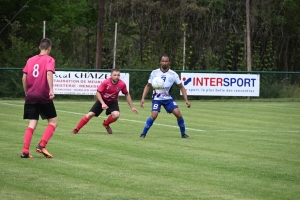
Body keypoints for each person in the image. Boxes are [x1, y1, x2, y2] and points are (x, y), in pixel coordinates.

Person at [21, 38, 58, 158]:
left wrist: (27, 92)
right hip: (43, 95)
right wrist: (51, 90)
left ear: (39, 47)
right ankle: (42, 145)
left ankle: (25, 151)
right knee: (53, 122)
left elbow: (24, 78)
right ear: (49, 48)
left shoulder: (30, 60)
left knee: (31, 124)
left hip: (31, 96)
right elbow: (48, 73)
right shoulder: (49, 59)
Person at [70, 68, 138, 134]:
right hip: (102, 100)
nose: (117, 77)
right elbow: (98, 92)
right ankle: (76, 129)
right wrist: (102, 103)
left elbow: (127, 94)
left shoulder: (122, 84)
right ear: (110, 75)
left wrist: (132, 107)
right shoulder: (106, 82)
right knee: (90, 114)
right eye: (115, 75)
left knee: (116, 115)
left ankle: (106, 124)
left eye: (118, 75)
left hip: (113, 102)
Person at [140, 54, 191, 138]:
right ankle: (143, 134)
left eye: (166, 61)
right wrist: (143, 98)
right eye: (163, 61)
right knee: (154, 115)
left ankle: (183, 134)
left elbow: (181, 87)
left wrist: (186, 100)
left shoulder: (173, 74)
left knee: (178, 114)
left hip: (168, 98)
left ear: (169, 62)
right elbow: (148, 85)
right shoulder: (154, 72)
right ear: (160, 62)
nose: (164, 63)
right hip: (157, 98)